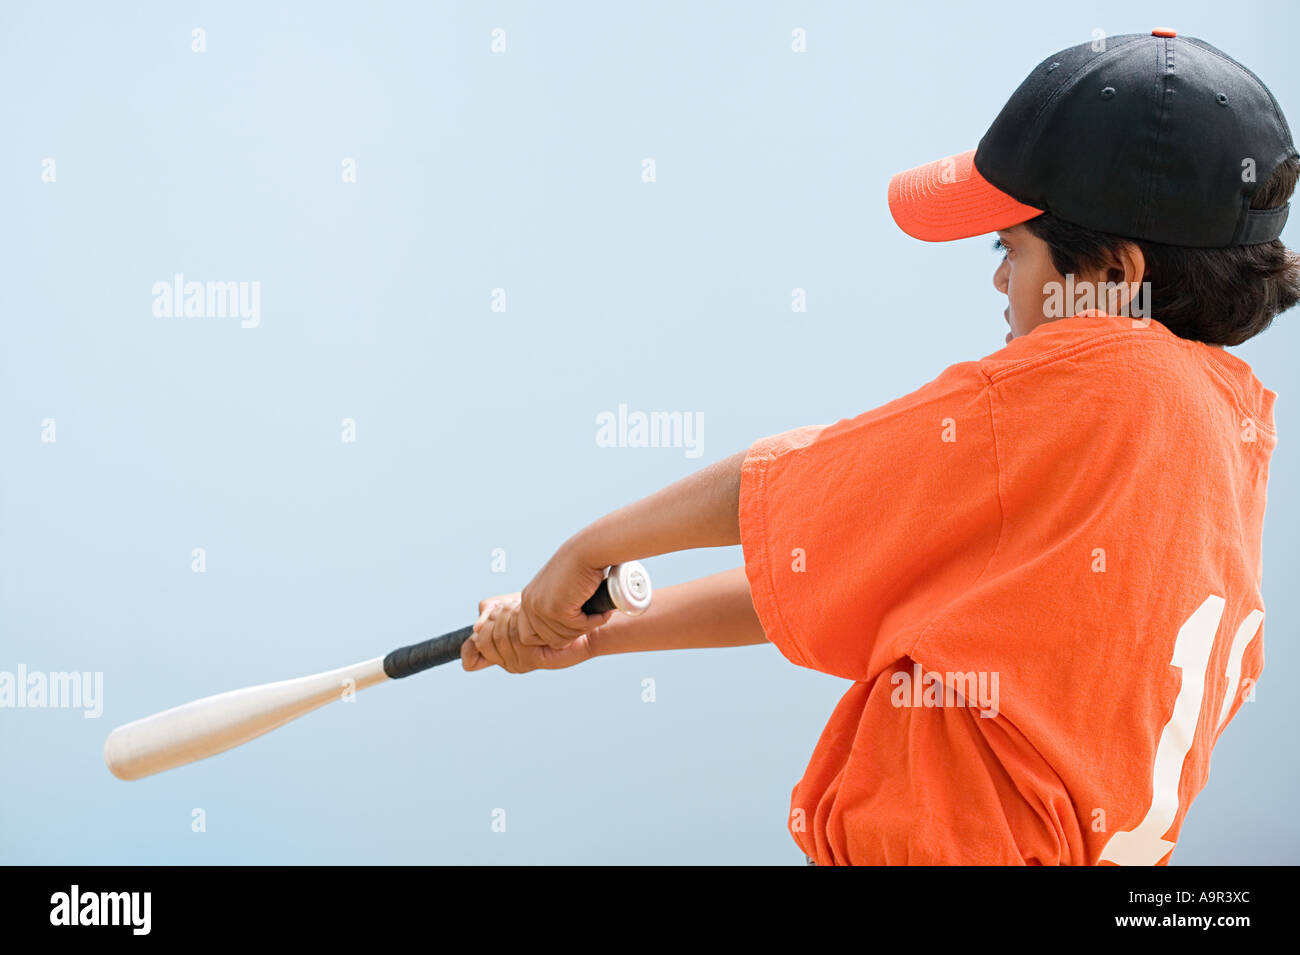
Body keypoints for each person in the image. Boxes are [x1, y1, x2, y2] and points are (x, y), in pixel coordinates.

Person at [462, 30, 1299, 865]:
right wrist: (595, 632)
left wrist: (589, 548)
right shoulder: (1221, 432)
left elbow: (800, 482)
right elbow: (821, 556)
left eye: (1011, 247)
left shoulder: (1104, 374)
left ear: (1113, 277)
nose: (1000, 282)